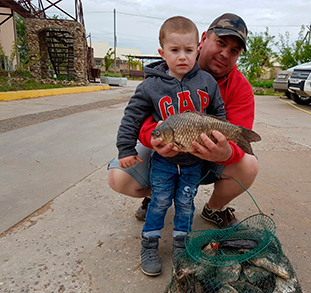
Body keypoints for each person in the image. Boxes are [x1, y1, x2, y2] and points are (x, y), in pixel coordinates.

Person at [108, 12, 257, 229]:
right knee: (118, 178)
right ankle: (161, 193)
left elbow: (235, 133)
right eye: (221, 43)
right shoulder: (167, 72)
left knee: (249, 165)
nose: (225, 54)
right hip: (166, 152)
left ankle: (214, 209)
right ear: (203, 40)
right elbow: (138, 118)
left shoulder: (241, 87)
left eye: (234, 51)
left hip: (208, 156)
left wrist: (225, 152)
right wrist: (155, 139)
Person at [114, 16, 226, 276]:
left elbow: (218, 113)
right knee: (160, 201)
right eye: (175, 51)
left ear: (197, 49)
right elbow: (131, 118)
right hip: (163, 162)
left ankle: (181, 243)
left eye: (188, 50)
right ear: (162, 53)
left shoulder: (207, 82)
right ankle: (150, 243)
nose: (183, 57)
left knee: (186, 204)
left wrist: (219, 139)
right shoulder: (150, 85)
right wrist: (126, 149)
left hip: (193, 162)